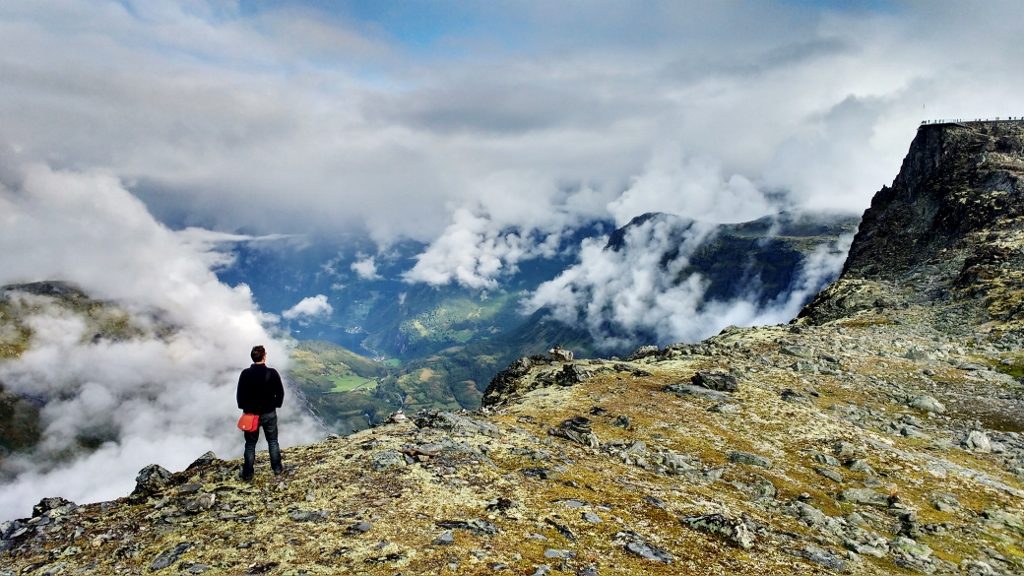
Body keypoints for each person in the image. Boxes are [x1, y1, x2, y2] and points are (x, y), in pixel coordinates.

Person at [236, 344, 285, 480]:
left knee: (250, 445)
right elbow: (280, 393)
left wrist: (245, 408)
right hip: (269, 413)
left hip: (251, 415)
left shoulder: (245, 374)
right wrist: (275, 405)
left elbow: (240, 396)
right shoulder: (272, 373)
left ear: (253, 357)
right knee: (273, 441)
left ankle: (248, 474)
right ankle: (277, 469)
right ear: (264, 357)